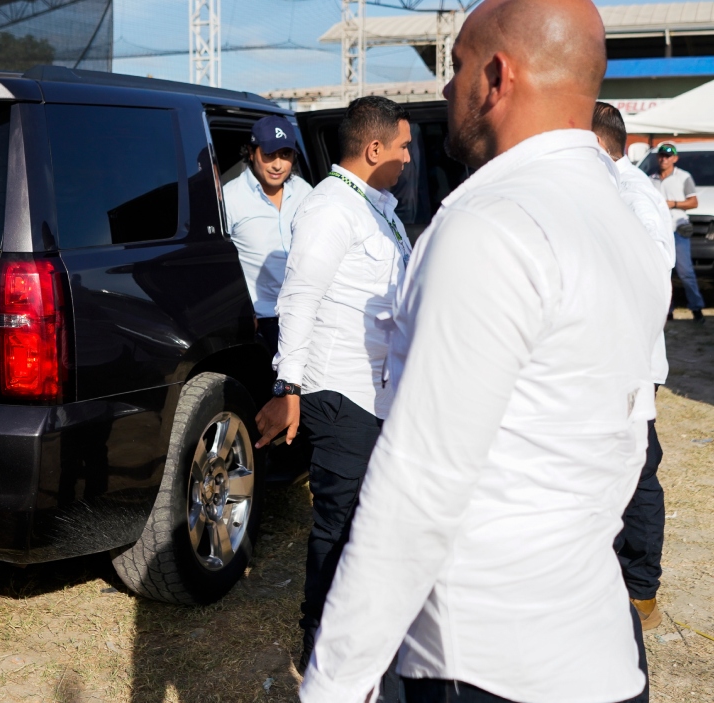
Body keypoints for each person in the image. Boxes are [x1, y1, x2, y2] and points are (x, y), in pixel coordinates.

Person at [298, 1, 667, 701]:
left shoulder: (489, 223)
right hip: (599, 645)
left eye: (457, 65)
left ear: (497, 76)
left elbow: (416, 487)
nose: (445, 89)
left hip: (483, 660)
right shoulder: (622, 218)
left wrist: (333, 684)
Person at [253, 95, 412, 674]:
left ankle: (361, 634)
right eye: (403, 146)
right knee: (339, 522)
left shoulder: (378, 208)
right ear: (374, 149)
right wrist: (288, 386)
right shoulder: (330, 209)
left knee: (369, 522)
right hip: (338, 390)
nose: (409, 157)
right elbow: (299, 296)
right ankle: (319, 646)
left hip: (378, 392)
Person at [593, 101, 673, 633]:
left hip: (631, 363)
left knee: (639, 473)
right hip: (608, 362)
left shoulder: (631, 193)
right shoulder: (607, 190)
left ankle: (641, 590)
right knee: (614, 470)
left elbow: (654, 272)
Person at [221, 116, 313, 353]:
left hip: (309, 314)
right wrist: (240, 311)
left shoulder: (305, 192)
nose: (278, 165)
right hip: (263, 322)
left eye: (285, 155)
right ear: (251, 153)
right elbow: (220, 262)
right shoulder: (230, 199)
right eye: (270, 155)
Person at [652, 142, 704, 322]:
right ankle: (668, 311)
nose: (664, 159)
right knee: (663, 272)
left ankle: (697, 310)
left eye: (668, 156)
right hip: (660, 232)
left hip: (679, 229)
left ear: (675, 158)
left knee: (685, 272)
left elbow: (693, 202)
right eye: (661, 155)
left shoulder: (683, 177)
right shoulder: (651, 179)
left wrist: (673, 204)